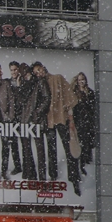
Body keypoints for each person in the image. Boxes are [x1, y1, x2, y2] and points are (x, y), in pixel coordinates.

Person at [35, 62, 81, 195]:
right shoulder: (39, 85)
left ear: (43, 67)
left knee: (69, 149)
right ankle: (53, 177)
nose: (39, 73)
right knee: (51, 150)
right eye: (36, 73)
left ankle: (74, 179)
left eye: (39, 70)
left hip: (61, 118)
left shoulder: (57, 78)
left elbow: (71, 98)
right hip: (48, 122)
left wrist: (70, 117)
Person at [71, 72, 98, 176]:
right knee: (81, 144)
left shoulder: (90, 92)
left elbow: (93, 108)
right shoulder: (75, 93)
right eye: (79, 80)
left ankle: (87, 162)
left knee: (88, 143)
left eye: (83, 79)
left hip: (89, 122)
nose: (81, 82)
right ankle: (82, 165)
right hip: (79, 122)